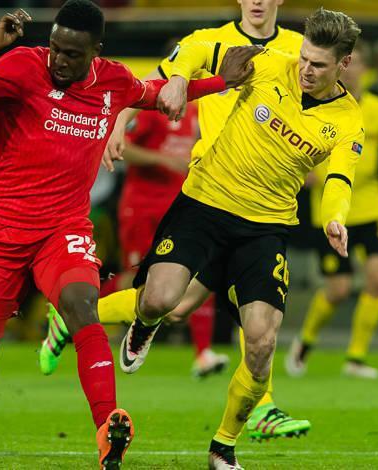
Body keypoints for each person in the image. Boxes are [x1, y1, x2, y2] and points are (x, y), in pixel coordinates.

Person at [0, 2, 260, 468]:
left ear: (95, 51)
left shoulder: (113, 80)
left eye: (72, 54)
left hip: (62, 229)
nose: (60, 61)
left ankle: (108, 427)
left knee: (83, 307)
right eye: (55, 49)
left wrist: (221, 81)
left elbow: (159, 95)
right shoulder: (22, 66)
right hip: (1, 231)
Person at [119, 8, 364, 468]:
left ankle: (223, 447)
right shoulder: (269, 63)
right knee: (161, 301)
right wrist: (177, 78)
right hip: (205, 203)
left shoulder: (348, 119)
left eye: (318, 65)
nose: (306, 69)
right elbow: (195, 49)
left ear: (343, 64)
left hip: (265, 227)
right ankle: (143, 323)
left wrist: (335, 217)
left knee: (262, 341)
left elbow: (339, 177)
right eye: (304, 58)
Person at [72, 0, 313, 443]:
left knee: (251, 312)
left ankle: (261, 407)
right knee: (172, 303)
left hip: (263, 204)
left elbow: (326, 107)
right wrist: (119, 123)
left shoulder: (301, 51)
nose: (258, 1)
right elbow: (152, 82)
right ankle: (79, 318)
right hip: (209, 195)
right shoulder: (208, 42)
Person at [38, 100, 231, 379]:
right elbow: (122, 147)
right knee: (137, 281)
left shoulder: (197, 110)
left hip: (179, 209)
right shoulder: (153, 109)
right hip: (142, 208)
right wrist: (161, 159)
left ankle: (202, 353)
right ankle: (69, 311)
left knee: (198, 274)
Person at [286, 40, 378, 380]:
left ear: (365, 69)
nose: (352, 70)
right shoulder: (314, 105)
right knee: (339, 289)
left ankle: (356, 357)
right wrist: (302, 173)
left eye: (357, 64)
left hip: (371, 206)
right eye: (347, 64)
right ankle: (305, 341)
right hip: (331, 210)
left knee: (377, 280)